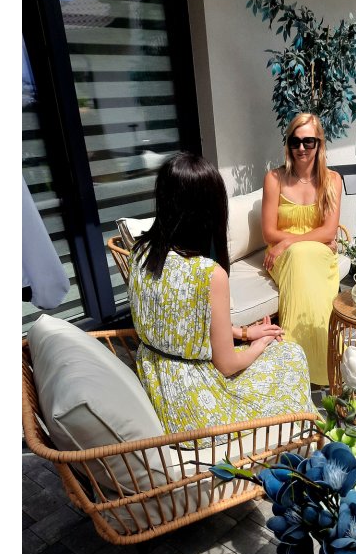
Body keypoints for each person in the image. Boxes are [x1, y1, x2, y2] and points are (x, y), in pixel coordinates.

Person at [128, 153, 314, 441]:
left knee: (277, 351)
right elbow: (226, 366)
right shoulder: (208, 273)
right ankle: (298, 439)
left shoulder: (140, 252)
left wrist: (243, 333)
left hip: (159, 389)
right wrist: (260, 344)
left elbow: (180, 324)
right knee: (290, 354)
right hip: (199, 409)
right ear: (208, 211)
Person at [261, 112, 343, 386]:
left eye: (308, 142)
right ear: (288, 144)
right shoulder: (274, 178)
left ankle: (317, 361)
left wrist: (289, 241)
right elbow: (268, 232)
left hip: (313, 251)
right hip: (283, 256)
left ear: (319, 144)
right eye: (294, 141)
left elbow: (329, 231)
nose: (301, 148)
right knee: (298, 256)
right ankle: (296, 363)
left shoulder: (332, 180)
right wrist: (290, 243)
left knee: (301, 256)